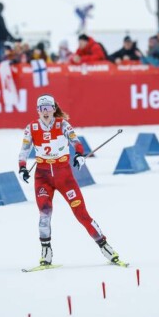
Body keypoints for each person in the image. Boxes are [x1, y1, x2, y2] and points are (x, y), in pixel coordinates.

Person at [18, 94, 125, 267]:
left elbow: (76, 141)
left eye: (48, 108)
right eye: (41, 109)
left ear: (54, 109)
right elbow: (24, 150)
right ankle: (46, 253)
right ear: (37, 110)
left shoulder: (62, 125)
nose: (45, 112)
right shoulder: (31, 128)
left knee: (81, 214)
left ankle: (105, 247)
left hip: (64, 176)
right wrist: (22, 167)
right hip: (42, 176)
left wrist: (80, 155)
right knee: (44, 214)